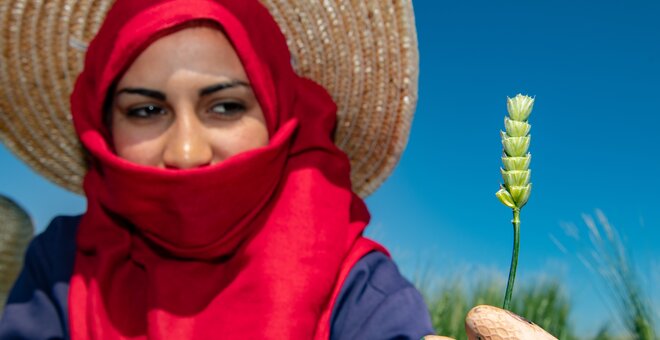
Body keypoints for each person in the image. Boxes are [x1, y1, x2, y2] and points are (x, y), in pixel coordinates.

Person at [0, 0, 435, 338]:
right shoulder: (60, 267)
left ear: (278, 115)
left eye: (225, 106)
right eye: (147, 110)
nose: (187, 152)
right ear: (103, 127)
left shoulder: (361, 292)